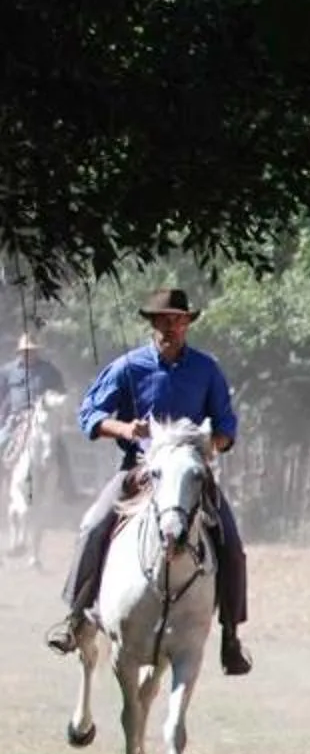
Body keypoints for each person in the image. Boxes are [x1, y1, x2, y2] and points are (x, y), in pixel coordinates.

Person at [49, 287, 254, 676]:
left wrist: (217, 441)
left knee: (232, 544)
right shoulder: (129, 367)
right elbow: (90, 414)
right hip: (139, 470)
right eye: (163, 320)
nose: (170, 327)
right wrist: (125, 427)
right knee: (93, 525)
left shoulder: (206, 369)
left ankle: (230, 636)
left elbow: (226, 422)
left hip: (191, 475)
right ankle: (76, 618)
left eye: (178, 320)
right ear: (152, 323)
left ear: (187, 324)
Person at [2, 332, 73, 498]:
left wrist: (57, 407)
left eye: (32, 350)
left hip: (42, 420)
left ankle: (69, 492)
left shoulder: (49, 371)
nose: (29, 354)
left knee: (60, 451)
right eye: (26, 351)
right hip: (16, 420)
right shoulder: (7, 372)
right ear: (19, 352)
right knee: (1, 441)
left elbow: (61, 394)